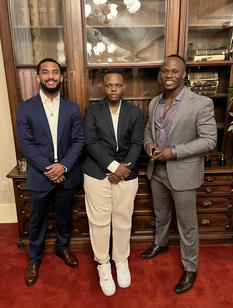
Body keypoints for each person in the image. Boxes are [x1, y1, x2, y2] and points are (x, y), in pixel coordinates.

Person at [141, 54, 217, 294]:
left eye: (174, 71)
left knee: (187, 225)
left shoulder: (201, 103)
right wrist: (148, 145)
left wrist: (172, 152)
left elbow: (209, 141)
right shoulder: (154, 102)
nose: (169, 75)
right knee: (161, 214)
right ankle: (160, 244)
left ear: (184, 74)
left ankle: (190, 267)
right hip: (157, 171)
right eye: (165, 71)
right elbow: (148, 131)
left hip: (183, 173)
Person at [16, 58, 84, 287]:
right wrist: (50, 169)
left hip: (67, 174)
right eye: (45, 72)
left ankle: (62, 248)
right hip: (39, 176)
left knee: (65, 216)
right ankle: (34, 258)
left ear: (61, 78)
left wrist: (62, 166)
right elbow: (26, 144)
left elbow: (78, 141)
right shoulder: (25, 107)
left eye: (55, 72)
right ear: (38, 78)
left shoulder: (72, 108)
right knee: (37, 220)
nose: (51, 76)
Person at [83, 68, 144, 296]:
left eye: (117, 85)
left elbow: (137, 143)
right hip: (97, 174)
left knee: (122, 220)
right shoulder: (92, 110)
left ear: (123, 87)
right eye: (109, 85)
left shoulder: (135, 112)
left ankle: (120, 260)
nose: (113, 89)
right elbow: (91, 142)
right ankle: (103, 265)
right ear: (103, 87)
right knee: (99, 222)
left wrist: (123, 169)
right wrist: (112, 167)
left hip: (126, 174)